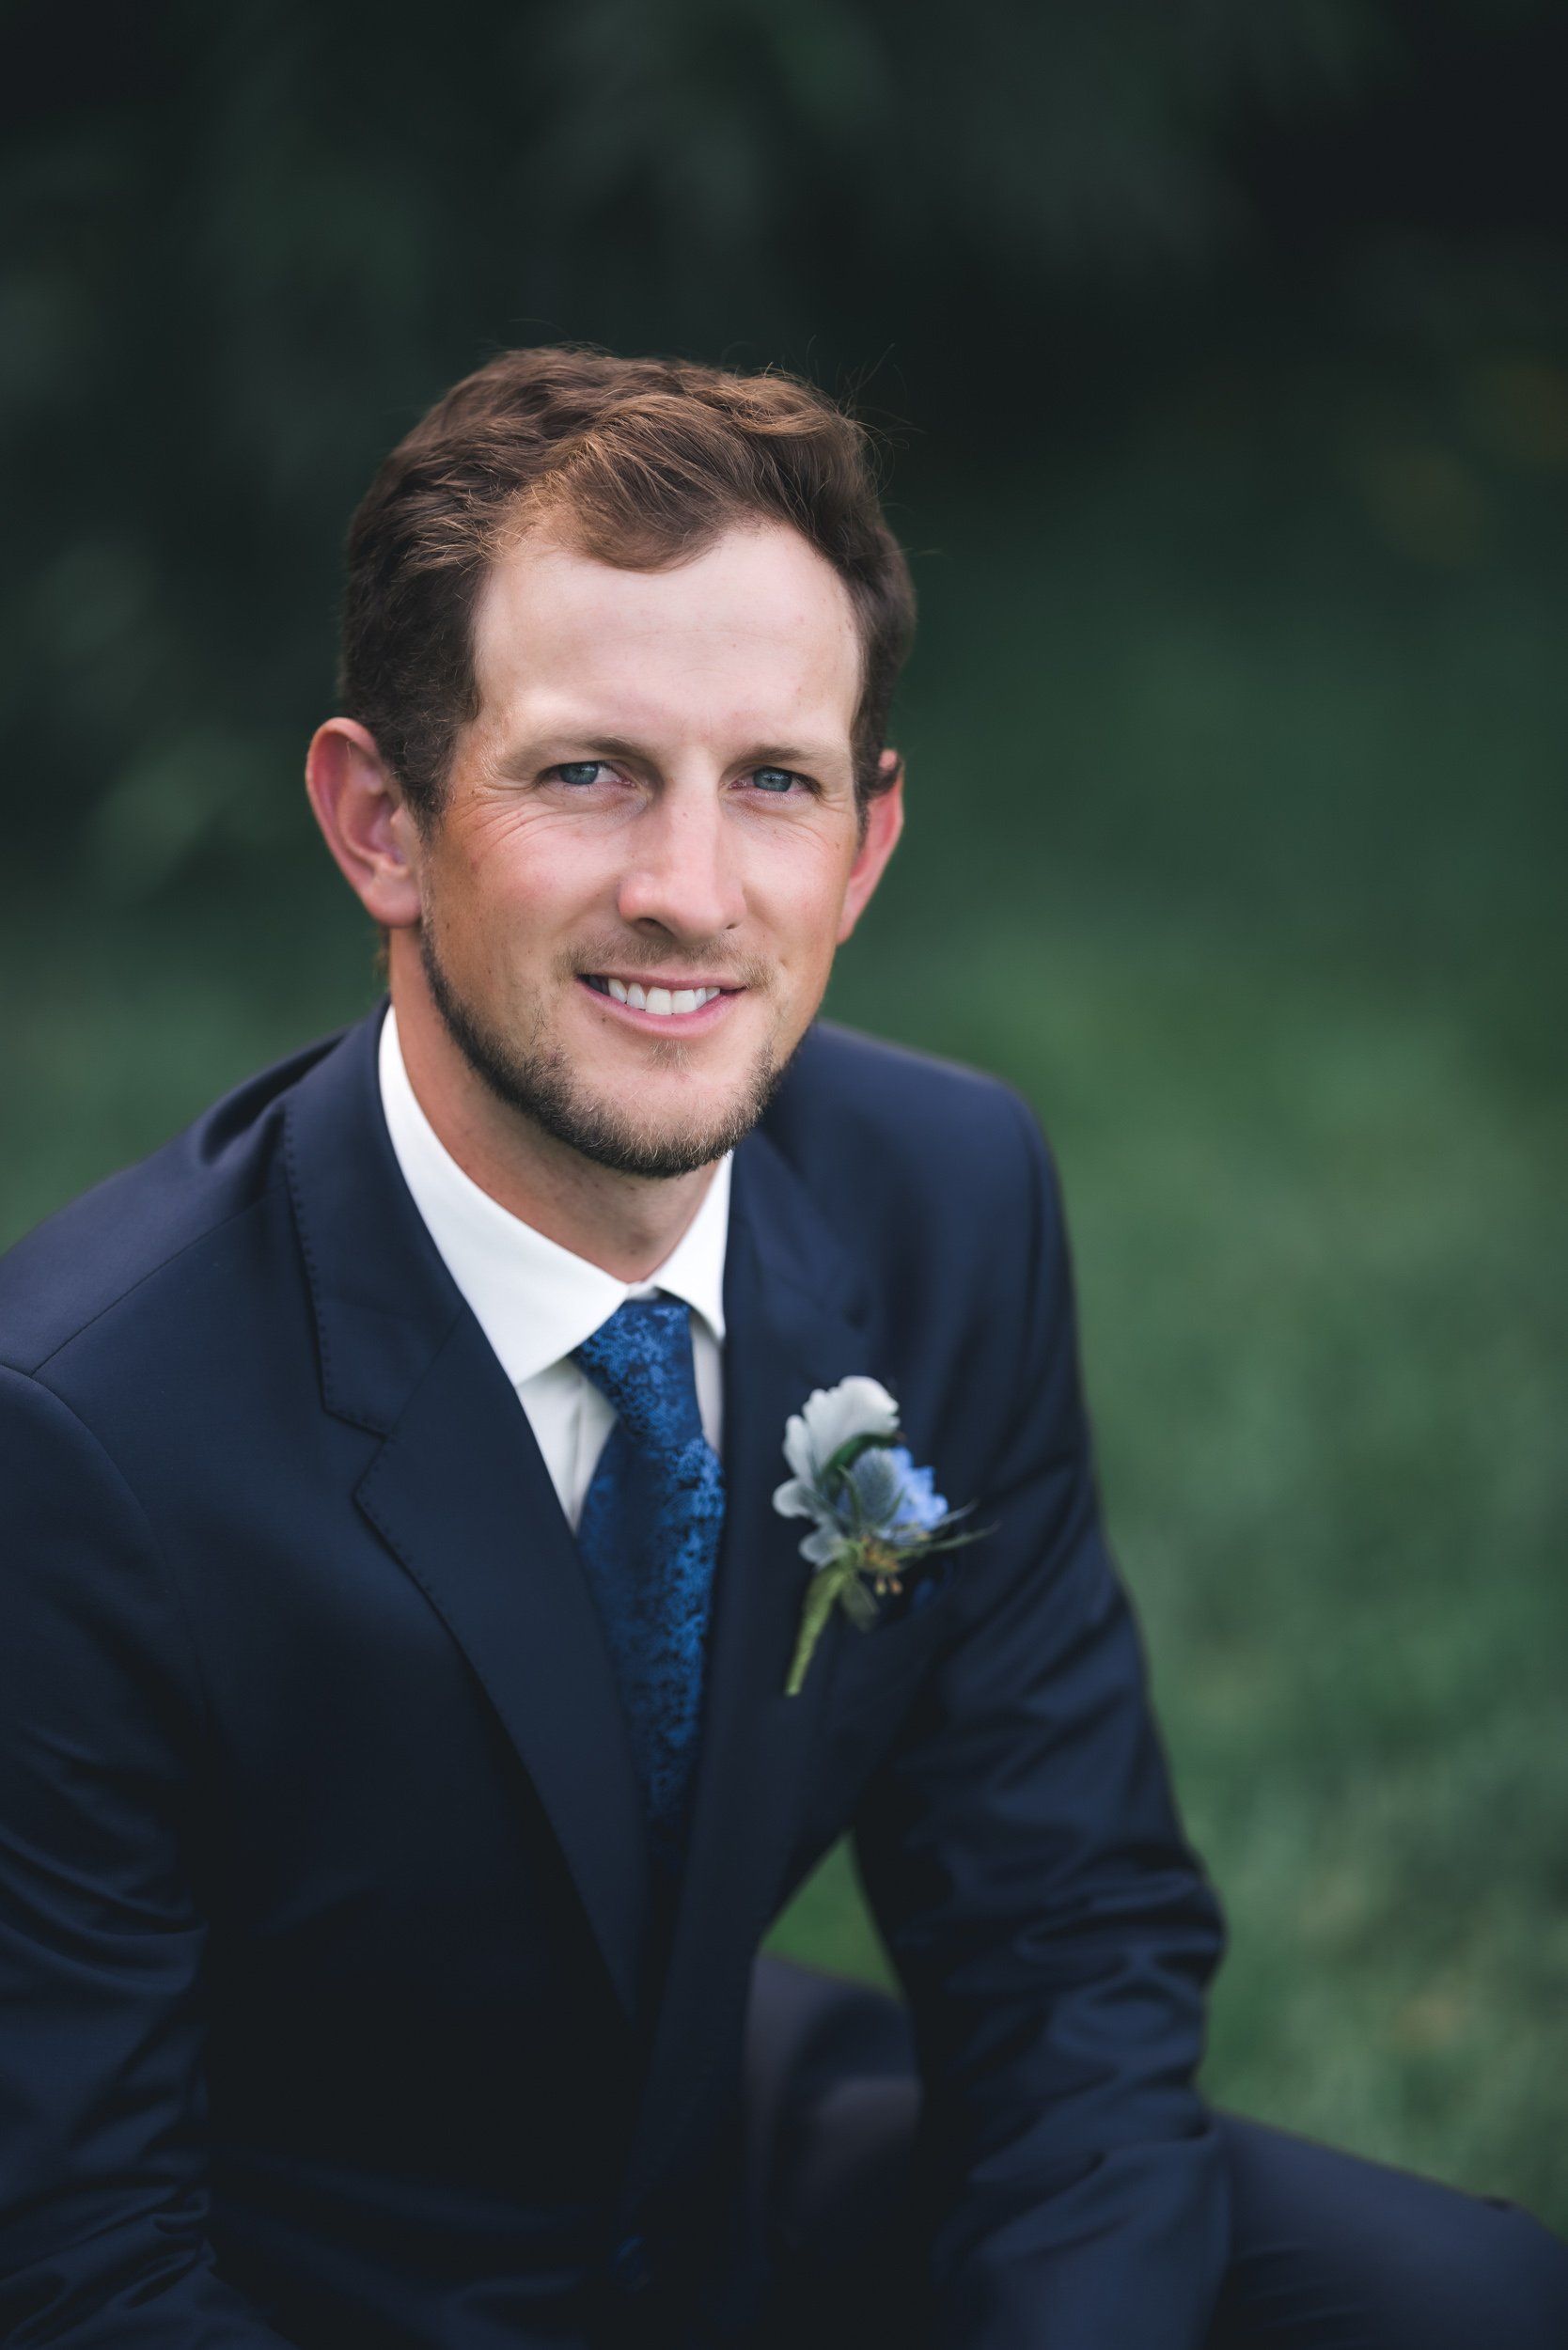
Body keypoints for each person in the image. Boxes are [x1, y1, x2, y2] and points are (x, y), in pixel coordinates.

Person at [1, 347, 1563, 2350]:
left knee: (1477, 2304)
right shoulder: (82, 1434)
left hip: (731, 2176)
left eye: (773, 783)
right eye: (587, 772)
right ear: (380, 823)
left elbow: (1062, 1931)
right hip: (324, 2287)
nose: (689, 890)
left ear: (867, 845)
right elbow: (77, 2271)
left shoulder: (948, 1199)